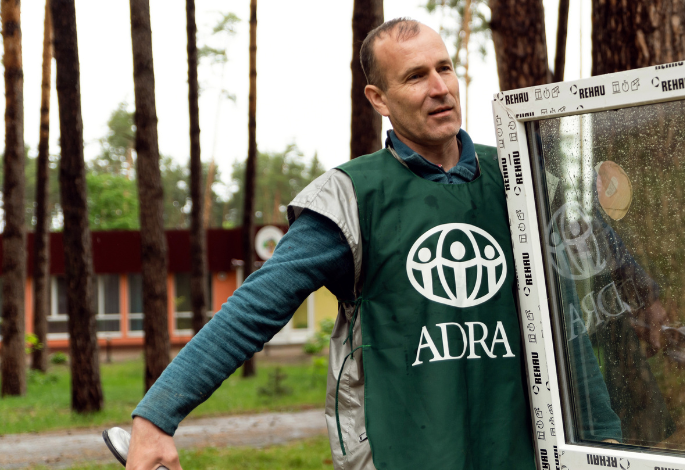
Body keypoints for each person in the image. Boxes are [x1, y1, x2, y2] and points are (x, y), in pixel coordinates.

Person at [126, 18, 619, 470]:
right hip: (402, 452)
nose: (440, 88)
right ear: (379, 98)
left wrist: (604, 441)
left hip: (518, 451)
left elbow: (566, 320)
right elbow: (254, 307)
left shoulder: (516, 177)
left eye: (445, 68)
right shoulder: (351, 198)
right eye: (415, 76)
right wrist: (158, 415)